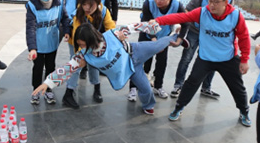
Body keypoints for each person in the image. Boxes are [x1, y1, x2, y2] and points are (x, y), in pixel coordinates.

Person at [137, 0, 252, 126]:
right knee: (191, 83)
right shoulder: (203, 12)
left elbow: (244, 38)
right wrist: (159, 21)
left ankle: (244, 112)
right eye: (210, 1)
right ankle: (179, 108)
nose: (212, 5)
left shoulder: (236, 16)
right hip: (206, 58)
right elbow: (181, 17)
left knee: (238, 88)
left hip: (227, 59)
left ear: (225, 2)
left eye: (216, 2)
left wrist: (245, 59)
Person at [34, 22, 183, 115]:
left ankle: (175, 36)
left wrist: (153, 26)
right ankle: (148, 105)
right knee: (146, 89)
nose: (81, 47)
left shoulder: (112, 34)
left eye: (83, 44)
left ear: (91, 39)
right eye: (79, 44)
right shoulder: (83, 55)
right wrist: (47, 83)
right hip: (130, 69)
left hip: (136, 51)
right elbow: (68, 68)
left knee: (158, 46)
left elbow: (135, 27)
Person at [171, 0, 234, 100]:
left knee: (212, 61)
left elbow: (229, 15)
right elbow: (188, 9)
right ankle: (178, 85)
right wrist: (181, 24)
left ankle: (206, 87)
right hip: (195, 32)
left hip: (212, 35)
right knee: (186, 59)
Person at [128, 0, 188, 102]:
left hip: (164, 36)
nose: (157, 1)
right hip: (147, 35)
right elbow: (146, 23)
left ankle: (158, 86)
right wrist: (154, 43)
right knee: (139, 61)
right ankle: (133, 88)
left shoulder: (177, 5)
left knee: (162, 62)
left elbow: (186, 22)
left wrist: (179, 40)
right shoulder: (148, 3)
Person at [62, 0, 116, 109]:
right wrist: (80, 56)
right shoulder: (79, 13)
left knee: (95, 63)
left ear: (97, 3)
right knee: (76, 65)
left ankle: (97, 88)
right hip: (77, 42)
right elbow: (77, 36)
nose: (86, 8)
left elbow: (111, 30)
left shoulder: (104, 11)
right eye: (84, 4)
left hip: (92, 41)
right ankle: (68, 93)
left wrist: (114, 45)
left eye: (90, 5)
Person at [26, 0, 71, 105]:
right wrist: (32, 48)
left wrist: (66, 31)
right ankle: (36, 90)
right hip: (38, 45)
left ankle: (49, 89)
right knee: (38, 68)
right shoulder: (32, 6)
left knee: (51, 67)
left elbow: (65, 18)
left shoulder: (58, 2)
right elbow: (30, 28)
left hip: (52, 43)